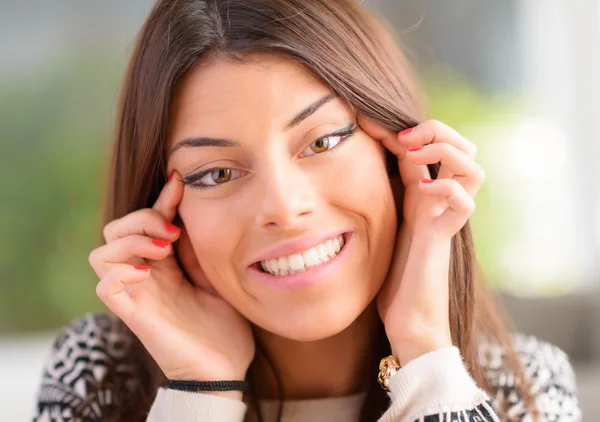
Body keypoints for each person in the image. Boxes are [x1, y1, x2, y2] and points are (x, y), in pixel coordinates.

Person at [33, 0, 582, 421]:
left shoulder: (524, 383)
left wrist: (426, 357)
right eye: (218, 173)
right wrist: (200, 391)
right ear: (168, 214)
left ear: (401, 152)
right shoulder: (98, 374)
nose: (284, 208)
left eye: (321, 142)